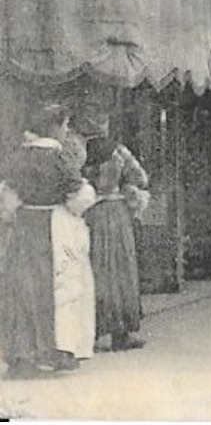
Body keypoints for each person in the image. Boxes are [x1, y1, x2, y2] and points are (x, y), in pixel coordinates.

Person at [0, 104, 97, 378]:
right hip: (55, 227)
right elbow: (78, 198)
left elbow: (7, 196)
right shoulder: (60, 158)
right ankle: (56, 351)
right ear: (54, 127)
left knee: (22, 289)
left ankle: (21, 355)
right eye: (65, 126)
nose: (67, 131)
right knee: (59, 290)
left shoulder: (20, 155)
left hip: (24, 227)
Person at [78, 112, 152, 350]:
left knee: (93, 269)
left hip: (88, 213)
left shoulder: (77, 151)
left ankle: (91, 333)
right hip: (116, 213)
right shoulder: (118, 151)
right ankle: (121, 333)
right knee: (120, 270)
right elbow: (140, 177)